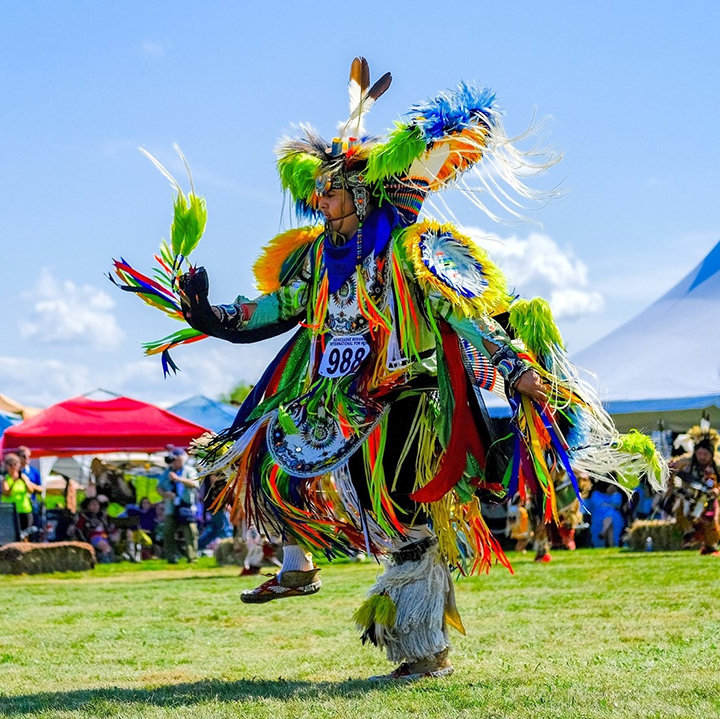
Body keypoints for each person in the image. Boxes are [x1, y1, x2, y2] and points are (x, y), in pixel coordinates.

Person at [114, 57, 665, 681]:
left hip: (407, 395)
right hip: (336, 398)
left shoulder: (412, 247)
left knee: (401, 515)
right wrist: (211, 314)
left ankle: (423, 649)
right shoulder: (319, 256)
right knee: (262, 454)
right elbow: (276, 309)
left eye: (332, 189)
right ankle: (302, 565)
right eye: (317, 191)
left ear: (363, 190)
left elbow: (468, 313)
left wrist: (513, 368)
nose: (319, 200)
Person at [668, 428, 720, 555]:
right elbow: (669, 468)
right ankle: (688, 533)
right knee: (679, 506)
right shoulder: (686, 461)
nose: (701, 457)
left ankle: (710, 545)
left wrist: (716, 491)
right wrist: (671, 480)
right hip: (687, 498)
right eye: (699, 453)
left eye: (705, 454)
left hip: (709, 500)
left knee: (711, 518)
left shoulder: (717, 466)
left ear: (711, 454)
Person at [157, 448, 199, 563]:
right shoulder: (167, 472)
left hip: (186, 506)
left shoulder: (189, 470)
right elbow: (159, 487)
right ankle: (171, 558)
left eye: (177, 460)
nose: (175, 463)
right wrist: (165, 494)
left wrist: (178, 479)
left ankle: (192, 557)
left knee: (190, 532)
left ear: (182, 460)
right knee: (168, 532)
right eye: (173, 461)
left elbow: (194, 484)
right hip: (171, 507)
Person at [2, 452, 40, 536]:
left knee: (26, 534)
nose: (13, 467)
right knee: (11, 535)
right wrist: (13, 482)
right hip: (11, 511)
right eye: (10, 465)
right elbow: (6, 493)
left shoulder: (23, 477)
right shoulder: (5, 479)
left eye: (15, 464)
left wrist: (24, 480)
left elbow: (31, 490)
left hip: (25, 510)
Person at [73, 497, 115, 562]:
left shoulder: (102, 516)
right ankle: (105, 561)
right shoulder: (84, 516)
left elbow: (109, 527)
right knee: (105, 547)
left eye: (97, 504)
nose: (95, 507)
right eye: (93, 504)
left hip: (104, 536)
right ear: (88, 506)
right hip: (94, 537)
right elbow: (79, 529)